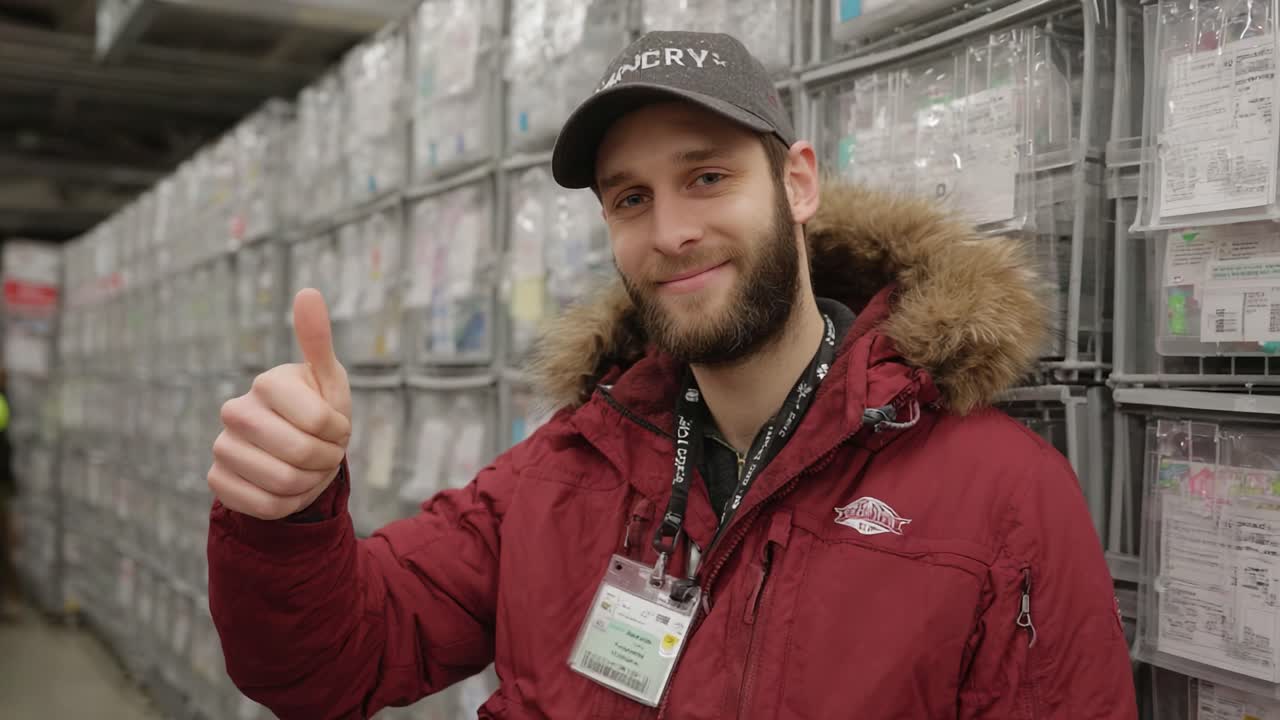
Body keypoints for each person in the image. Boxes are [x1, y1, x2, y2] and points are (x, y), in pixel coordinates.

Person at [206, 31, 1137, 719]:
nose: (670, 233)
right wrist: (285, 515)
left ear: (797, 184)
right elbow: (330, 663)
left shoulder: (1002, 491)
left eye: (706, 179)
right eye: (631, 199)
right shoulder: (563, 472)